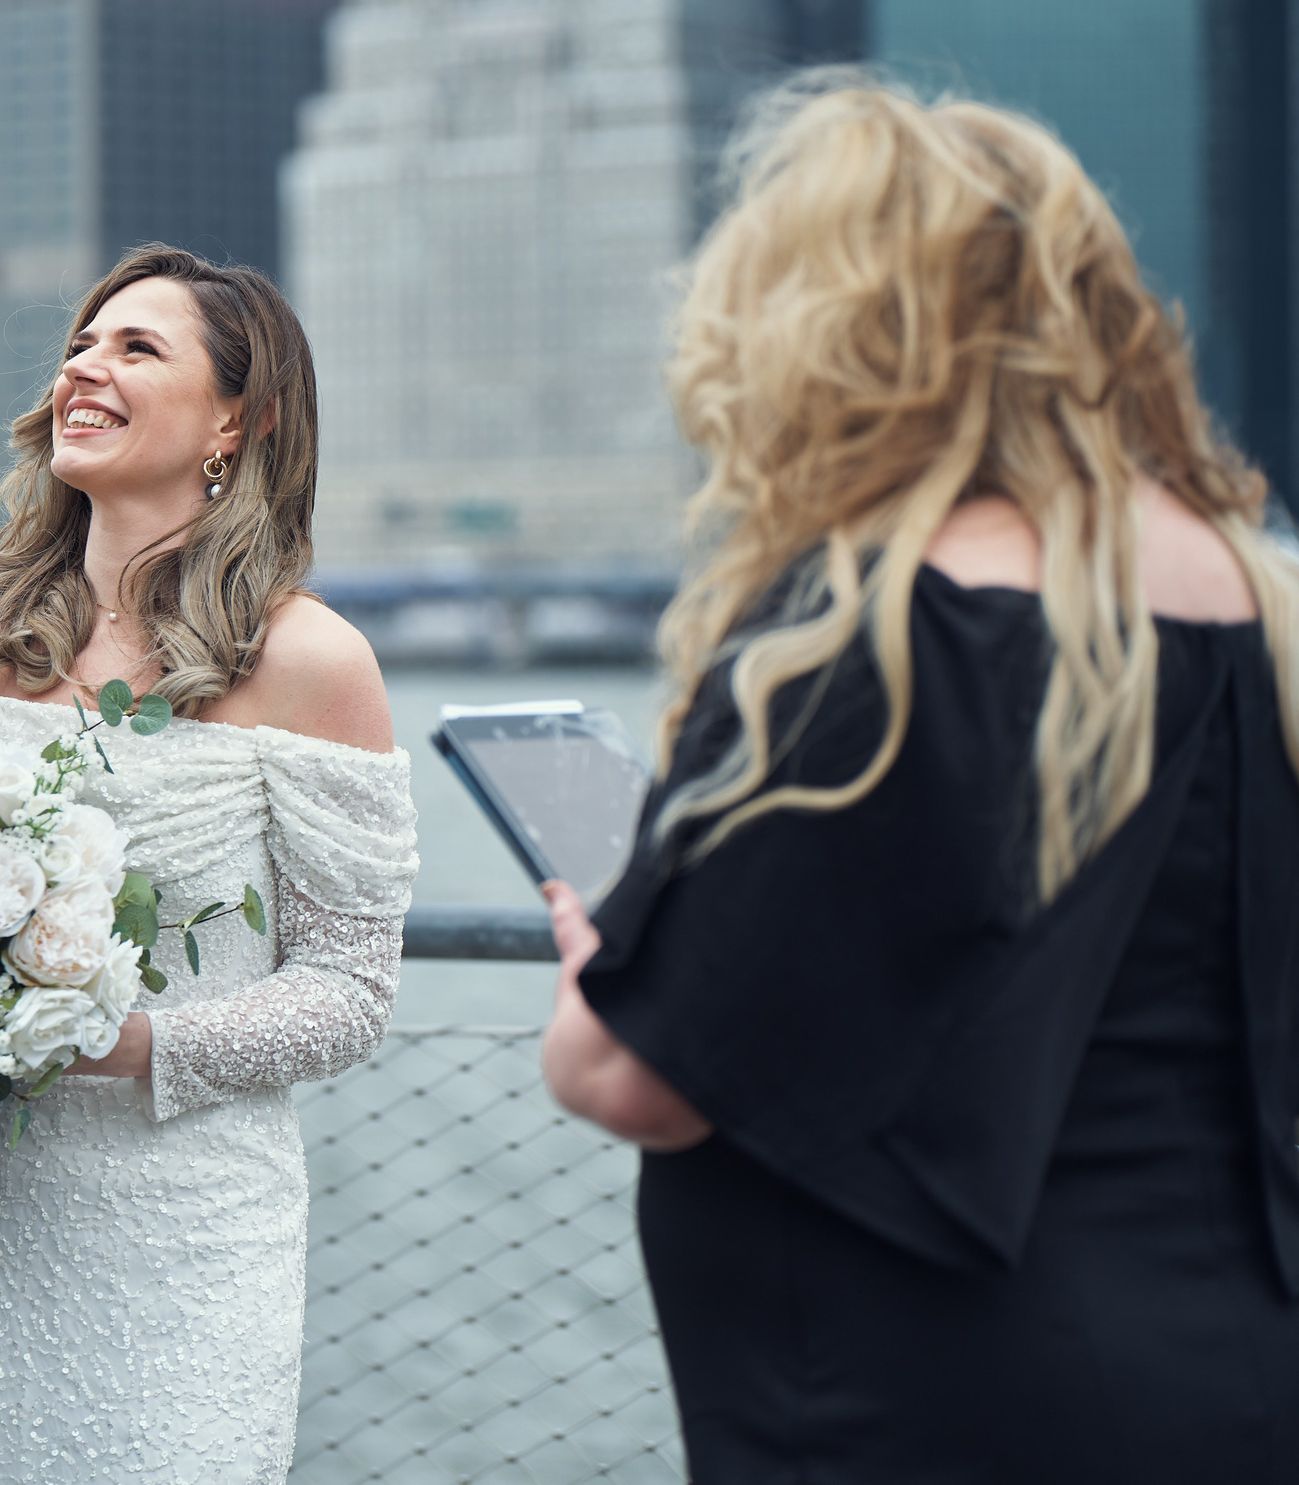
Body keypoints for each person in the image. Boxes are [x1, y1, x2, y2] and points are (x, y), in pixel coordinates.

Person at [540, 80, 1299, 1481]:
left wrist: (601, 959)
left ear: (829, 332)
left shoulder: (878, 631)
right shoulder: (1252, 601)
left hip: (924, 1400)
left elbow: (637, 1076)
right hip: (1234, 1368)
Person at [0, 245, 420, 1482]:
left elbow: (350, 991)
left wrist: (132, 1045)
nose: (85, 366)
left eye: (136, 348)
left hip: (180, 1245)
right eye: (81, 343)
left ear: (240, 418)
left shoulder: (311, 662)